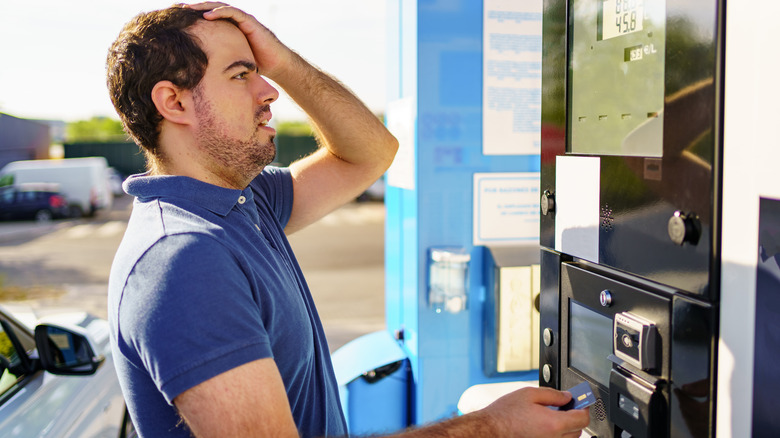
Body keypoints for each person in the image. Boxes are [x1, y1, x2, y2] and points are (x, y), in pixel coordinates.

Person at [106, 3, 590, 437]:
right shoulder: (182, 258)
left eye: (262, 71)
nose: (269, 90)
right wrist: (494, 427)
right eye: (241, 74)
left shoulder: (245, 202)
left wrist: (283, 59)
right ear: (175, 102)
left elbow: (371, 153)